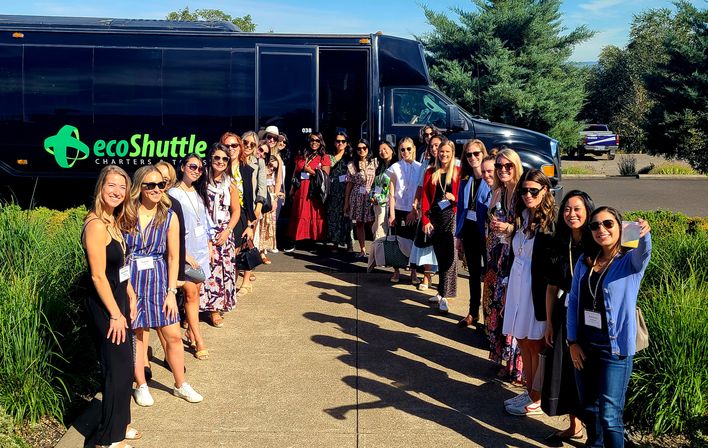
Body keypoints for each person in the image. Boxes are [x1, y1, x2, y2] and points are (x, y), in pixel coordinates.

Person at [568, 207, 651, 448]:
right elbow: (573, 301)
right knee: (589, 408)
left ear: (619, 226)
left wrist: (644, 234)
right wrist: (572, 342)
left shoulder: (629, 262)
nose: (601, 229)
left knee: (609, 415)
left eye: (608, 224)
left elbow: (644, 252)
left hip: (614, 350)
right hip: (584, 345)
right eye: (595, 225)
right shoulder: (585, 262)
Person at [123, 165, 203, 406]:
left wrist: (171, 291)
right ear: (139, 187)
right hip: (133, 279)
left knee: (173, 336)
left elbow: (173, 256)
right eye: (150, 185)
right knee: (138, 336)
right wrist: (127, 291)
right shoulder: (125, 215)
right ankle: (142, 385)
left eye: (161, 184)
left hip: (159, 279)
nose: (157, 189)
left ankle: (181, 384)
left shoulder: (169, 216)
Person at [82, 166, 141, 448]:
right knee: (115, 370)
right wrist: (115, 314)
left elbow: (120, 266)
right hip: (106, 306)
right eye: (111, 186)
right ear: (100, 188)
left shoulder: (113, 221)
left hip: (119, 299)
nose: (117, 192)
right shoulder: (95, 225)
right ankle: (107, 439)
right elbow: (97, 275)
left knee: (125, 367)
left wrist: (130, 293)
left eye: (122, 187)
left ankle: (121, 423)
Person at [540, 190, 595, 442]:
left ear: (587, 211)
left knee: (589, 371)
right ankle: (574, 426)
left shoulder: (596, 241)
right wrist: (550, 323)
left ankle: (595, 430)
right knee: (565, 371)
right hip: (564, 314)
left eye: (577, 209)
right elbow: (551, 287)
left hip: (591, 316)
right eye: (567, 209)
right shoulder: (559, 243)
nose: (571, 214)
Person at [502, 169, 556, 416]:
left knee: (535, 343)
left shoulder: (551, 223)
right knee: (522, 340)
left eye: (534, 190)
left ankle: (537, 396)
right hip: (517, 284)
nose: (527, 195)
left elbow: (552, 268)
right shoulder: (522, 217)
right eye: (524, 190)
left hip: (536, 290)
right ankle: (528, 389)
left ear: (545, 191)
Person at [483, 148, 524, 384]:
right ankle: (503, 360)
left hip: (514, 258)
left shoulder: (522, 193)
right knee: (498, 309)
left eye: (508, 165)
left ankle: (518, 367)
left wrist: (509, 229)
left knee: (513, 308)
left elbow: (530, 227)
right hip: (496, 257)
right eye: (499, 166)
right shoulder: (497, 192)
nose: (503, 170)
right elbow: (490, 223)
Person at [168, 155, 212, 361]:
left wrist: (210, 246)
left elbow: (204, 220)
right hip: (184, 251)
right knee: (191, 293)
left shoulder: (199, 192)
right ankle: (198, 338)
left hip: (202, 249)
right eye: (192, 166)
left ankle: (190, 330)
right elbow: (169, 227)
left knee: (197, 292)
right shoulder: (172, 194)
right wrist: (184, 254)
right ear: (182, 167)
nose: (196, 171)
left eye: (200, 168)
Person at [201, 143, 240, 326]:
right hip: (203, 231)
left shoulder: (230, 183)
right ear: (211, 158)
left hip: (224, 232)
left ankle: (215, 309)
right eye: (217, 157)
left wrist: (228, 231)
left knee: (221, 272)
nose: (221, 161)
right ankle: (196, 308)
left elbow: (236, 211)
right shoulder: (201, 180)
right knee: (203, 269)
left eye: (225, 158)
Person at [421, 139, 460, 313]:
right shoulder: (430, 172)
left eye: (447, 152)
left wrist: (455, 199)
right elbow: (425, 198)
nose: (444, 154)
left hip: (451, 216)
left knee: (448, 257)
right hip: (435, 217)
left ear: (452, 154)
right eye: (441, 151)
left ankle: (444, 295)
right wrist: (425, 220)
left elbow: (463, 197)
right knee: (439, 255)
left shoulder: (458, 172)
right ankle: (439, 291)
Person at [455, 140, 490, 329]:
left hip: (486, 234)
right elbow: (460, 209)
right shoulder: (465, 180)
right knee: (474, 274)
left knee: (490, 275)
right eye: (469, 154)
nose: (473, 158)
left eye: (476, 153)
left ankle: (488, 317)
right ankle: (472, 312)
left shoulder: (490, 180)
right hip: (468, 231)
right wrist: (458, 236)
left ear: (483, 154)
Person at [222, 133, 257, 297]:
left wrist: (250, 225)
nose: (231, 149)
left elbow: (249, 199)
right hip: (220, 215)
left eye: (234, 145)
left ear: (240, 147)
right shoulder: (219, 166)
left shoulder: (246, 170)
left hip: (241, 215)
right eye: (227, 146)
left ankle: (230, 290)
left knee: (234, 254)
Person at [409, 134, 443, 290]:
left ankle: (443, 280)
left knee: (444, 245)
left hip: (446, 211)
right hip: (428, 209)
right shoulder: (426, 165)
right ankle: (426, 277)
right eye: (432, 146)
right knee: (426, 243)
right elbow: (420, 186)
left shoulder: (453, 165)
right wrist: (416, 203)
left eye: (438, 145)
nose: (435, 148)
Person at [286, 132, 331, 249]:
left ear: (321, 142)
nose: (314, 143)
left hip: (314, 191)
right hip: (300, 189)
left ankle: (312, 241)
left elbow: (325, 177)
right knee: (299, 213)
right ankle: (296, 240)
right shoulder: (302, 155)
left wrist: (310, 171)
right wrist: (291, 189)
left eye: (317, 140)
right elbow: (295, 173)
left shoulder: (324, 157)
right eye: (312, 140)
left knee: (312, 214)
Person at [386, 137, 422, 283]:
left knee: (413, 241)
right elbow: (391, 192)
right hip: (399, 209)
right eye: (402, 149)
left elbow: (420, 191)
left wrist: (415, 210)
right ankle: (396, 271)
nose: (405, 152)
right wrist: (392, 214)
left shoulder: (420, 167)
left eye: (408, 149)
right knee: (398, 240)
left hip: (413, 210)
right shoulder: (394, 167)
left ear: (413, 148)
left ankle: (413, 272)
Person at [241, 131, 267, 281]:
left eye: (252, 144)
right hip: (237, 207)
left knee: (248, 244)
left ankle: (246, 281)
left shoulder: (259, 162)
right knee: (237, 244)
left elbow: (262, 186)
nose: (249, 146)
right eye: (246, 143)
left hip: (252, 208)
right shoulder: (235, 160)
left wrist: (257, 208)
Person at [344, 139, 377, 258]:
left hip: (371, 196)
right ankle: (362, 250)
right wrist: (346, 202)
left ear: (368, 149)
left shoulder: (374, 162)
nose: (362, 150)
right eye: (359, 148)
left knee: (372, 223)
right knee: (359, 223)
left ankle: (376, 251)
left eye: (364, 148)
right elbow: (349, 184)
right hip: (357, 195)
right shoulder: (352, 165)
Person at [326, 131, 353, 251]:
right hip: (333, 191)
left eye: (343, 141)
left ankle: (350, 244)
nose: (340, 143)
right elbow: (330, 164)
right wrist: (340, 153)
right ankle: (335, 243)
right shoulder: (330, 155)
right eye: (338, 141)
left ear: (347, 143)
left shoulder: (350, 158)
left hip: (347, 191)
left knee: (347, 217)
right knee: (334, 217)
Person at [370, 140, 396, 240]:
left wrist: (381, 197)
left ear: (391, 150)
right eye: (380, 150)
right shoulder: (380, 167)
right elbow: (375, 184)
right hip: (378, 202)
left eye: (385, 149)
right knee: (377, 227)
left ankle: (380, 253)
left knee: (381, 231)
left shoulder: (395, 165)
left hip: (388, 203)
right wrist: (372, 196)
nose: (383, 152)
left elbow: (388, 185)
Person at [260, 155, 280, 256]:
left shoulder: (273, 176)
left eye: (274, 168)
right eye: (270, 165)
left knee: (268, 225)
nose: (271, 169)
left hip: (270, 202)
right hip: (261, 201)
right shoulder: (259, 174)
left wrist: (275, 198)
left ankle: (263, 251)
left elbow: (276, 187)